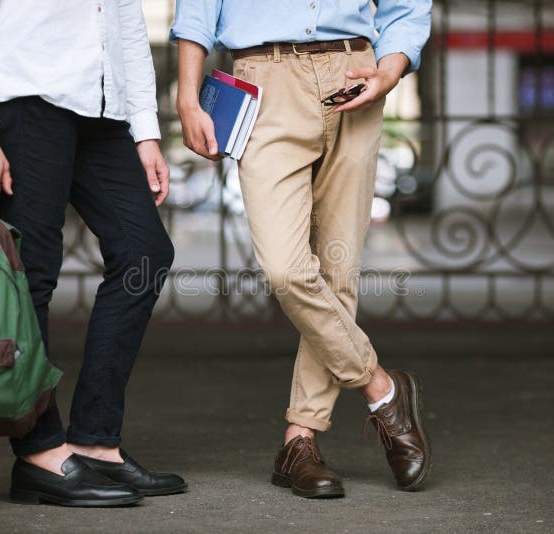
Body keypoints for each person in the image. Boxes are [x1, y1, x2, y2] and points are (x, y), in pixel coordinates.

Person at [171, 1, 432, 498]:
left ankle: (300, 440)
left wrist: (390, 69)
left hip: (354, 73)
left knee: (337, 272)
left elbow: (409, 7)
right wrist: (188, 95)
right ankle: (381, 388)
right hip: (264, 80)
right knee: (287, 270)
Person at [0, 0, 186, 506]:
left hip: (102, 109)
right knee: (32, 273)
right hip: (28, 100)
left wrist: (145, 131)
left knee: (145, 253)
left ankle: (95, 440)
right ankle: (38, 450)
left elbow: (126, 24)